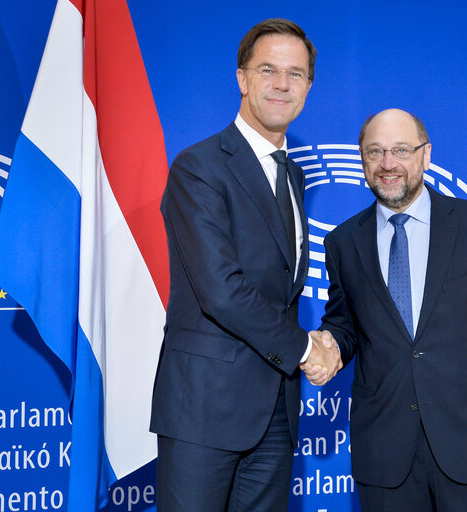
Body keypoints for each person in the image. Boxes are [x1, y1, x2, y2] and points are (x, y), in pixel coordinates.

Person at [315, 108, 467, 512]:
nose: (388, 164)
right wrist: (331, 347)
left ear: (426, 156)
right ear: (362, 160)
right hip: (387, 455)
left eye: (401, 150)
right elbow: (345, 324)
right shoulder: (342, 243)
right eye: (375, 152)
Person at [150, 18, 341, 512]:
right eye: (269, 70)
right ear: (242, 78)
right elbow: (221, 290)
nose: (282, 85)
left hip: (275, 410)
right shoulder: (200, 167)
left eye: (296, 74)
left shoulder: (293, 174)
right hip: (205, 410)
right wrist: (305, 348)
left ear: (309, 87)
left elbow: (279, 287)